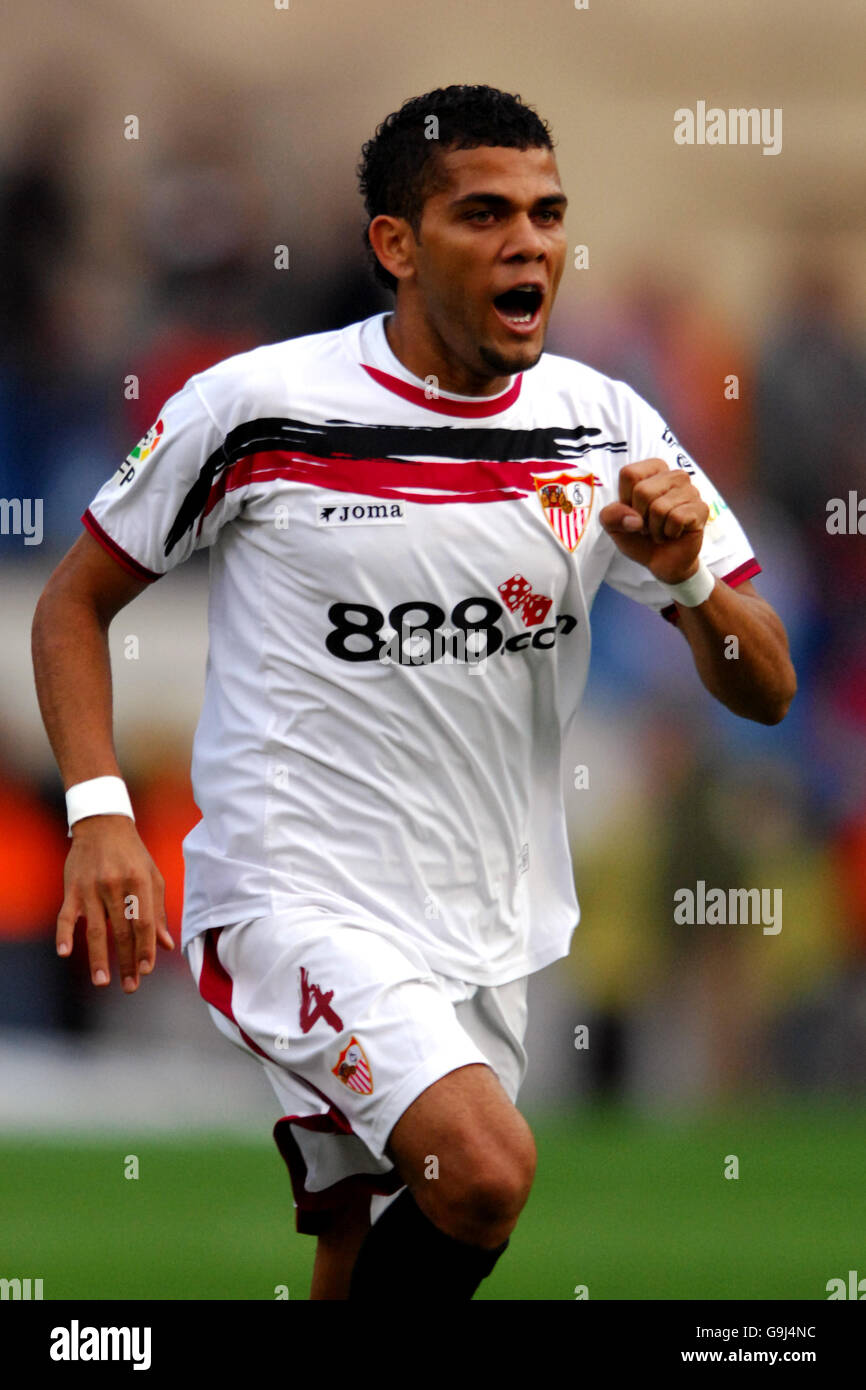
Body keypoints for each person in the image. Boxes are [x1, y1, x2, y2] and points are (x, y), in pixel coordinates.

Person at [31, 84, 796, 1301]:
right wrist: (101, 812)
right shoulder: (257, 408)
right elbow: (73, 602)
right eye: (483, 214)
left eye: (545, 214)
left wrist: (691, 576)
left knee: (368, 1240)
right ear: (395, 242)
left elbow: (765, 688)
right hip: (291, 894)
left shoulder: (604, 427)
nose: (526, 242)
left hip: (486, 919)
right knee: (486, 1171)